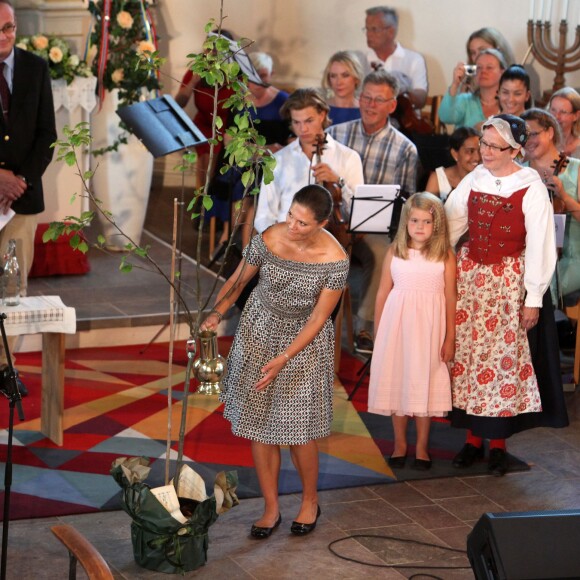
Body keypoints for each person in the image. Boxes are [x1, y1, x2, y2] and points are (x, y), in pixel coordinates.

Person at [201, 185, 349, 539]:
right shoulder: (268, 236)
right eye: (290, 217)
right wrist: (216, 312)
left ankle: (309, 501)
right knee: (259, 425)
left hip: (304, 345)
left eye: (302, 223)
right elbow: (238, 280)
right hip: (259, 330)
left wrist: (284, 358)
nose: (292, 226)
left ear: (322, 223)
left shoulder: (335, 259)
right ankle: (270, 508)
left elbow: (318, 320)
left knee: (299, 430)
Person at [445, 114, 568, 476]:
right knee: (470, 357)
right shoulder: (474, 179)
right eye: (482, 144)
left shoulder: (529, 185)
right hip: (471, 281)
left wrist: (533, 298)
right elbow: (451, 222)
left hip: (506, 283)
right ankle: (471, 439)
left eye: (493, 146)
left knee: (500, 363)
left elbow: (542, 245)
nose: (484, 151)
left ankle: (497, 444)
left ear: (514, 149)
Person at [328, 69, 418, 354]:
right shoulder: (334, 134)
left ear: (392, 105)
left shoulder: (405, 148)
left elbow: (405, 202)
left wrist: (374, 220)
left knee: (382, 254)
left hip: (372, 228)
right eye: (366, 98)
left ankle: (365, 325)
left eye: (379, 100)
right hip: (333, 221)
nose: (370, 105)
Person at [369, 193, 456, 471]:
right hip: (397, 328)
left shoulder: (445, 255)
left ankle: (421, 446)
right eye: (415, 220)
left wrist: (449, 337)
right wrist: (379, 332)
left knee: (423, 384)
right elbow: (383, 293)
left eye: (427, 221)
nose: (419, 227)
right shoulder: (395, 251)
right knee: (399, 382)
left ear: (437, 225)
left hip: (429, 330)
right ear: (406, 221)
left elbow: (451, 297)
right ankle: (399, 444)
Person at [0, 0, 57, 382]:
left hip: (22, 200)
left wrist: (19, 181)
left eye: (9, 27)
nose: (6, 36)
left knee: (12, 289)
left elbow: (47, 135)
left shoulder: (36, 68)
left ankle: (5, 368)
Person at [254, 88, 363, 236]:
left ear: (322, 115)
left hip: (330, 244)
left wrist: (338, 182)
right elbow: (263, 216)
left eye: (309, 121)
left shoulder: (349, 157)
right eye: (296, 122)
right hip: (285, 241)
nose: (303, 129)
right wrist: (280, 241)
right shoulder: (278, 160)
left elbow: (359, 213)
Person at [522, 108, 580, 300]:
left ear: (550, 132)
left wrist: (564, 196)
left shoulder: (576, 168)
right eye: (524, 136)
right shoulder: (519, 172)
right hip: (527, 256)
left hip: (571, 258)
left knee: (544, 289)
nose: (528, 141)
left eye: (534, 134)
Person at [235, 52, 291, 248]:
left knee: (256, 187)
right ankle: (234, 241)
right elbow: (230, 140)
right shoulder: (239, 100)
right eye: (253, 75)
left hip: (276, 162)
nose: (258, 81)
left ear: (272, 74)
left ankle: (246, 248)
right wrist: (261, 151)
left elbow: (292, 140)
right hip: (244, 159)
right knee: (247, 181)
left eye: (264, 75)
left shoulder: (284, 100)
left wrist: (269, 152)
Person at [363, 6, 428, 110]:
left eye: (374, 29)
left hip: (405, 123)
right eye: (367, 29)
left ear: (391, 32)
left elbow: (421, 99)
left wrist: (401, 90)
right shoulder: (362, 60)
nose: (368, 34)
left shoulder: (414, 59)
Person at [439, 48, 506, 130]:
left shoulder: (509, 102)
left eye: (489, 67)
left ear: (502, 72)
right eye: (479, 67)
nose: (483, 71)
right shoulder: (465, 100)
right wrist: (455, 83)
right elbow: (445, 117)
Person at [425, 127, 481, 201]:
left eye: (480, 151)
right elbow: (425, 209)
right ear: (455, 154)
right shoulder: (438, 179)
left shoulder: (487, 178)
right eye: (470, 151)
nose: (477, 157)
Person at [322, 50, 363, 125]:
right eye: (333, 76)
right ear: (329, 79)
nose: (339, 82)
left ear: (356, 78)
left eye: (345, 75)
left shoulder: (365, 111)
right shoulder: (319, 109)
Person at [547, 87, 580, 159]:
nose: (556, 117)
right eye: (553, 110)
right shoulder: (541, 140)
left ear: (576, 116)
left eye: (563, 112)